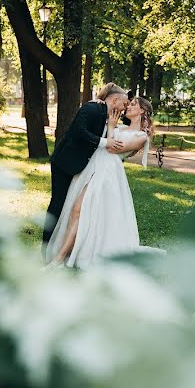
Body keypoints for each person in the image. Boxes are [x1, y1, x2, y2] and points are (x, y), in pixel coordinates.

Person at [45, 96, 155, 268]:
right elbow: (98, 127)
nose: (129, 106)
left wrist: (111, 127)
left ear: (142, 111)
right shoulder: (120, 126)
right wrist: (99, 101)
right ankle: (66, 254)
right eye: (129, 103)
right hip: (92, 167)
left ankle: (59, 259)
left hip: (109, 174)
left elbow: (112, 148)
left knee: (80, 209)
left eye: (133, 104)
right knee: (77, 210)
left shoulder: (141, 137)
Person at [42, 83, 129, 253]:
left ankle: (63, 246)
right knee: (57, 205)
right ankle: (45, 246)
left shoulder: (109, 115)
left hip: (80, 167)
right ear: (115, 99)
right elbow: (78, 131)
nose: (125, 108)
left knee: (70, 207)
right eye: (124, 104)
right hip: (65, 164)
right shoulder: (92, 108)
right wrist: (105, 142)